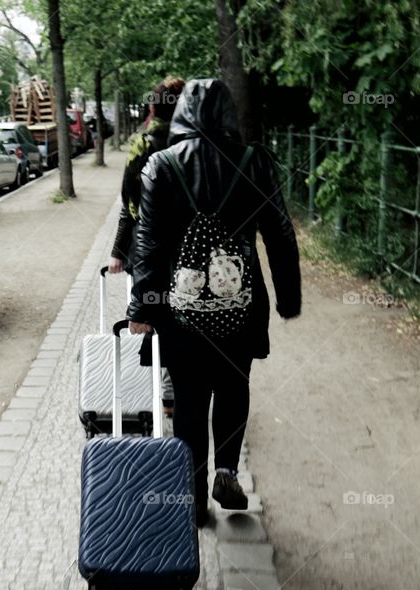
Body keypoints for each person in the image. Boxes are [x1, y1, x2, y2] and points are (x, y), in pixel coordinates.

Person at [126, 79, 301, 527]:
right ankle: (227, 469)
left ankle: (193, 493)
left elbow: (147, 241)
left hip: (179, 307)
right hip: (239, 303)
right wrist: (287, 297)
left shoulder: (161, 165)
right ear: (228, 114)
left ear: (182, 113)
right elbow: (279, 232)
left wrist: (142, 308)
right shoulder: (253, 162)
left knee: (187, 398)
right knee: (233, 383)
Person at [108, 76, 185, 415]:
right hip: (189, 241)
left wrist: (118, 250)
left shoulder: (144, 143)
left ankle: (166, 387)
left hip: (147, 240)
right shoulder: (193, 140)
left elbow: (129, 201)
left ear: (153, 108)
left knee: (152, 309)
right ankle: (178, 384)